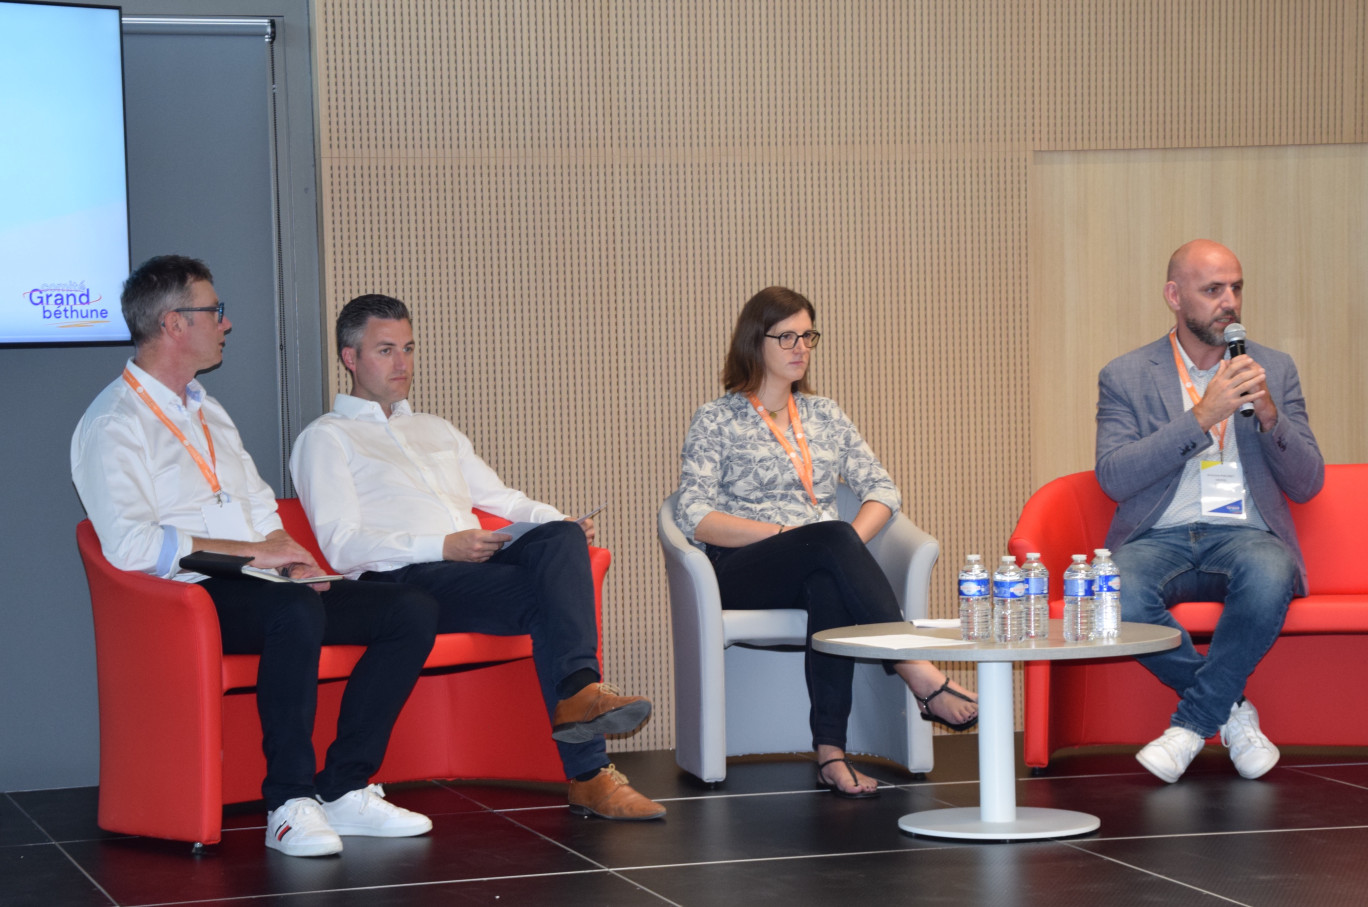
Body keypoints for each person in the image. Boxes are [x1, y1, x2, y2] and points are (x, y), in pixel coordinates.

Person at [71, 256, 439, 857]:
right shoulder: (114, 422)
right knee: (289, 613)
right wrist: (252, 553)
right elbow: (132, 546)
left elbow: (258, 504)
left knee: (410, 609)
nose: (226, 323)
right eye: (214, 310)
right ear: (173, 324)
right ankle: (288, 803)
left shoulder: (206, 408)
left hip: (258, 578)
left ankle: (345, 787)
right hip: (188, 593)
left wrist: (289, 557)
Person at [289, 294, 664, 821]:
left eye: (409, 348)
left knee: (559, 538)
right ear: (350, 358)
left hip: (472, 566)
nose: (403, 364)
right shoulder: (326, 439)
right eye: (386, 350)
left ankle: (579, 695)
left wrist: (557, 519)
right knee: (546, 601)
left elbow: (503, 499)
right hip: (407, 580)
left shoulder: (436, 429)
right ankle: (590, 773)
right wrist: (442, 546)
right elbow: (342, 545)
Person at [674, 286, 978, 799]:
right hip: (743, 567)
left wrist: (843, 544)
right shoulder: (716, 418)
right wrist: (791, 535)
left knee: (828, 581)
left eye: (808, 336)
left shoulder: (825, 415)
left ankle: (830, 755)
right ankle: (916, 668)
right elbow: (694, 515)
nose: (800, 348)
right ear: (756, 342)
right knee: (826, 543)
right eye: (786, 336)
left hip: (818, 559)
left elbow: (883, 490)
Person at [1096, 239, 1324, 783]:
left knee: (1272, 571)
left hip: (1244, 534)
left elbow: (1308, 482)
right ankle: (1232, 712)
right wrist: (1200, 418)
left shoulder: (1274, 368)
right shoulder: (1125, 375)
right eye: (1213, 289)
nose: (1229, 302)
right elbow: (1114, 475)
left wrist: (1271, 418)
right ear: (1175, 296)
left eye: (1236, 288)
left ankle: (1192, 724)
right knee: (1114, 588)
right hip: (1159, 535)